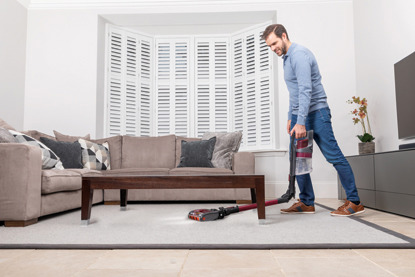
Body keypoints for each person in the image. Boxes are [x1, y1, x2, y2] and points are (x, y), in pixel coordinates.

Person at [262, 24, 365, 216]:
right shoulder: (286, 58)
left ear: (284, 36)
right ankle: (307, 202)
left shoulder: (299, 55)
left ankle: (354, 202)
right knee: (299, 160)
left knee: (333, 156)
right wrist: (290, 117)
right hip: (300, 115)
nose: (273, 48)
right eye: (269, 46)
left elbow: (305, 90)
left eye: (274, 43)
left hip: (316, 113)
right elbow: (294, 92)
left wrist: (300, 121)